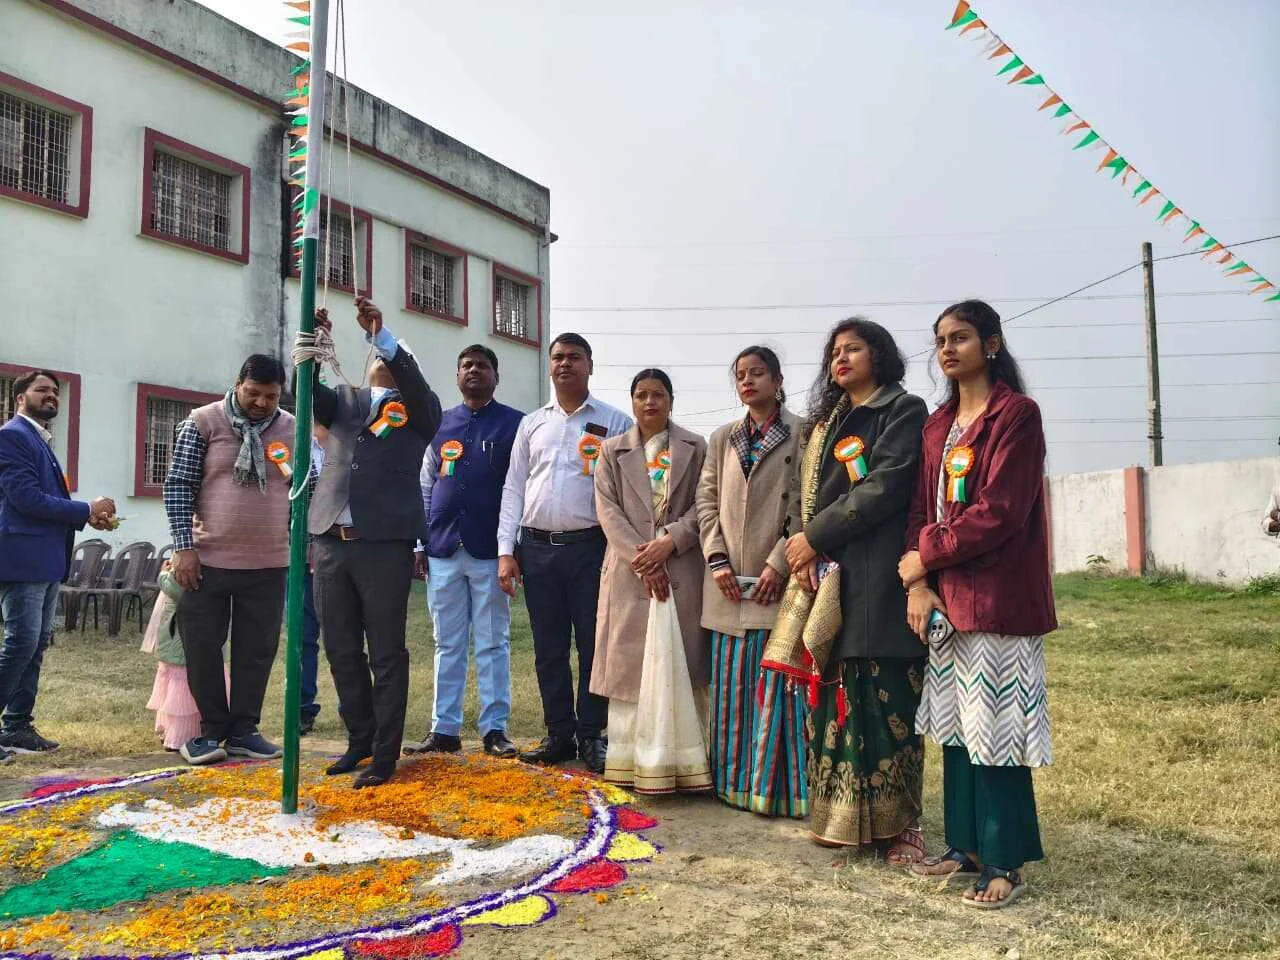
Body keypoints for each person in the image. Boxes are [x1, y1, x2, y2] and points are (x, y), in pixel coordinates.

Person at [899, 299, 1054, 909]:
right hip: (944, 600)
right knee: (956, 729)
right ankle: (964, 847)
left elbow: (1000, 511)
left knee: (998, 730)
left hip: (996, 597)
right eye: (940, 339)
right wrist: (917, 583)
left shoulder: (1016, 415)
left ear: (991, 344)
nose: (947, 348)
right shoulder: (938, 424)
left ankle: (1005, 861)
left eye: (960, 337)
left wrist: (925, 555)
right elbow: (920, 509)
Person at [780, 319, 928, 862]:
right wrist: (802, 547)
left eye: (854, 349)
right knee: (834, 696)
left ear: (879, 355)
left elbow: (885, 486)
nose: (841, 359)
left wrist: (813, 538)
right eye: (835, 352)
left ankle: (902, 825)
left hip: (880, 577)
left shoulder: (901, 410)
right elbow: (800, 495)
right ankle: (839, 817)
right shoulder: (826, 424)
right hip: (829, 578)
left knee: (886, 698)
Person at [307, 298, 442, 789]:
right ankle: (359, 740)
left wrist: (382, 338)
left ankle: (385, 754)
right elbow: (304, 392)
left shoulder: (420, 410)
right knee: (340, 648)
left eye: (394, 357)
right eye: (381, 356)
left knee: (386, 652)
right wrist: (313, 340)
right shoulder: (344, 401)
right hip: (330, 542)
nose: (384, 362)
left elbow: (412, 381)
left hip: (383, 545)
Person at [497, 333, 632, 774]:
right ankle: (558, 734)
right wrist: (506, 551)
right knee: (548, 647)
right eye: (557, 357)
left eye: (575, 357)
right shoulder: (532, 424)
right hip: (536, 549)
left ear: (590, 366)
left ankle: (591, 734)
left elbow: (629, 492)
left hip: (592, 549)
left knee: (593, 645)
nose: (565, 364)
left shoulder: (615, 422)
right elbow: (514, 488)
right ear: (549, 366)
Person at [165, 354, 295, 766]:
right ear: (238, 383)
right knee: (203, 647)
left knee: (257, 650)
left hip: (269, 562)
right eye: (253, 393)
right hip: (206, 561)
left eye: (270, 396)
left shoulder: (293, 429)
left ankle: (244, 730)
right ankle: (209, 732)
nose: (261, 403)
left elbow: (305, 490)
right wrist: (183, 547)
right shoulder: (203, 422)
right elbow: (178, 486)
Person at [695, 346, 805, 816]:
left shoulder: (803, 433)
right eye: (740, 374)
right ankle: (731, 785)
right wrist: (717, 560)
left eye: (757, 373)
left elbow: (805, 504)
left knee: (774, 690)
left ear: (778, 380)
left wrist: (780, 563)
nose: (747, 381)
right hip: (725, 585)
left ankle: (776, 790)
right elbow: (706, 502)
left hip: (775, 582)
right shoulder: (723, 438)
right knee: (730, 692)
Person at [591, 369, 711, 793]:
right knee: (632, 668)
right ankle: (632, 761)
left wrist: (671, 541)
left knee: (682, 663)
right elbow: (607, 511)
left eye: (658, 394)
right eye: (641, 395)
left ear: (671, 400)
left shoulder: (696, 447)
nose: (649, 402)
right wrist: (645, 560)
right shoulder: (611, 451)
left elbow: (705, 504)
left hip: (681, 567)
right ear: (632, 401)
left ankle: (687, 764)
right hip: (631, 572)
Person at [406, 344, 523, 759]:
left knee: (493, 643)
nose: (474, 370)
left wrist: (511, 548)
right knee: (447, 643)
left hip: (490, 551)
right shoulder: (438, 423)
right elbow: (425, 485)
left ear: (496, 376)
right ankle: (444, 729)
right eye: (467, 365)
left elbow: (518, 490)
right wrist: (420, 543)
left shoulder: (515, 425)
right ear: (457, 376)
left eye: (483, 365)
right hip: (442, 549)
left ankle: (495, 729)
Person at [0, 370, 116, 763]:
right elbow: (25, 499)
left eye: (55, 391)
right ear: (20, 397)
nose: (51, 396)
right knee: (21, 642)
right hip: (22, 559)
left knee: (35, 644)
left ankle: (17, 726)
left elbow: (43, 501)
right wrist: (85, 509)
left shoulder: (39, 439)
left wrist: (89, 517)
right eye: (41, 390)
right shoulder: (13, 436)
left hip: (47, 559)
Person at [141, 562, 228, 750]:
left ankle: (181, 735)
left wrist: (163, 576)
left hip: (181, 636)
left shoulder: (191, 565)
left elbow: (179, 590)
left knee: (182, 686)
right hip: (186, 632)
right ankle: (182, 730)